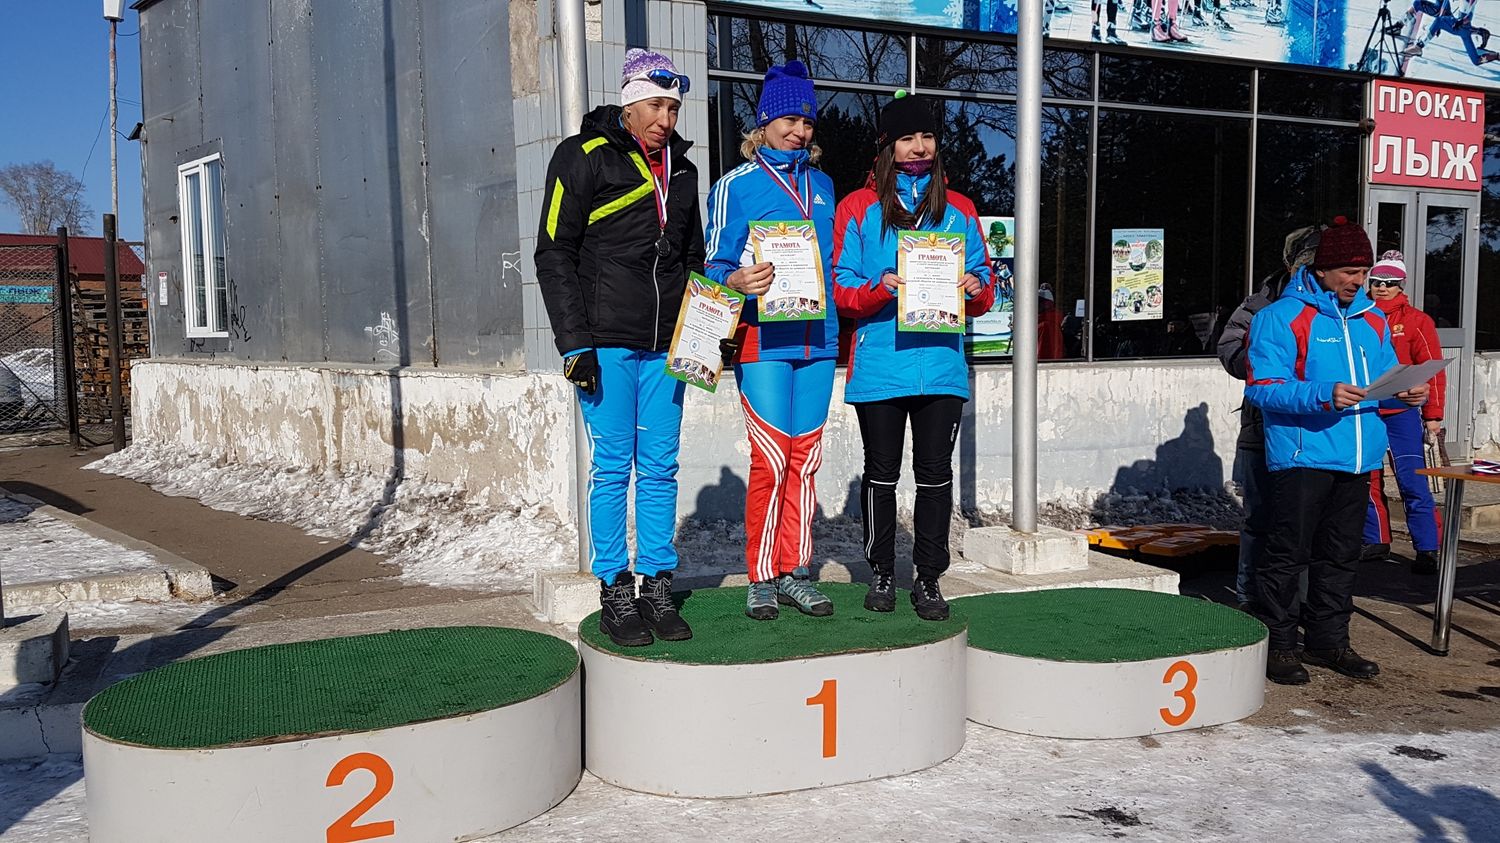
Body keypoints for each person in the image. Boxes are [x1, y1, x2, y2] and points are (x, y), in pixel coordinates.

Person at [534, 48, 703, 647]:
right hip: (605, 342)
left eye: (673, 109)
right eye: (655, 106)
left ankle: (656, 584)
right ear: (629, 105)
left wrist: (705, 335)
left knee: (660, 467)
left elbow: (691, 260)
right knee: (612, 468)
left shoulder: (684, 172)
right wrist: (573, 343)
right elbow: (553, 252)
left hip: (666, 346)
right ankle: (614, 588)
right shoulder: (582, 156)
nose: (665, 119)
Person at [832, 91, 996, 622]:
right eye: (907, 138)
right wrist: (878, 286)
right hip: (881, 366)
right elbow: (840, 287)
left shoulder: (960, 208)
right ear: (888, 146)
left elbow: (986, 284)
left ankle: (928, 578)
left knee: (934, 477)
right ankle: (881, 571)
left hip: (941, 368)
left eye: (927, 136)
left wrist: (976, 286)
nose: (920, 146)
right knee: (881, 474)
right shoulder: (858, 207)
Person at [1245, 217, 1429, 685]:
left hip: (1358, 457)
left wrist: (1406, 393)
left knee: (1342, 555)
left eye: (1364, 272)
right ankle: (1279, 644)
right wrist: (1323, 394)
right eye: (1349, 271)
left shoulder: (1372, 319)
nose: (1358, 281)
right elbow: (1262, 388)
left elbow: (1384, 380)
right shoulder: (1279, 317)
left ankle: (1328, 641)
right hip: (1303, 455)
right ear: (1321, 269)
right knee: (1287, 553)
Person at [703, 61, 839, 621]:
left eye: (807, 122)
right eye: (789, 120)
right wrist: (735, 279)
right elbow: (713, 265)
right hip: (762, 339)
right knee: (772, 458)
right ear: (763, 123)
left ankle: (795, 571)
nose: (799, 131)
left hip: (819, 340)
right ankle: (761, 576)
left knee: (805, 459)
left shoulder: (824, 186)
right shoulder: (735, 186)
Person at [1217, 225, 1322, 611]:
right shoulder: (1261, 302)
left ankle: (1301, 604)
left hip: (1315, 433)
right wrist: (1266, 356)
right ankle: (1248, 597)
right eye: (1305, 263)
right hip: (1261, 430)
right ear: (1291, 263)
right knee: (1258, 519)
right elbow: (1229, 348)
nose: (1311, 272)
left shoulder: (1338, 307)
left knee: (1306, 525)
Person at [1362, 252, 1447, 575]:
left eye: (1390, 283)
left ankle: (1428, 547)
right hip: (1367, 408)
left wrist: (1433, 415)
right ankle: (1375, 539)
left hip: (1402, 411)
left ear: (1401, 285)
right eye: (1376, 282)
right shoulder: (1357, 315)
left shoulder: (1416, 320)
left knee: (1413, 479)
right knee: (1368, 478)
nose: (1382, 288)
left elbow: (1432, 370)